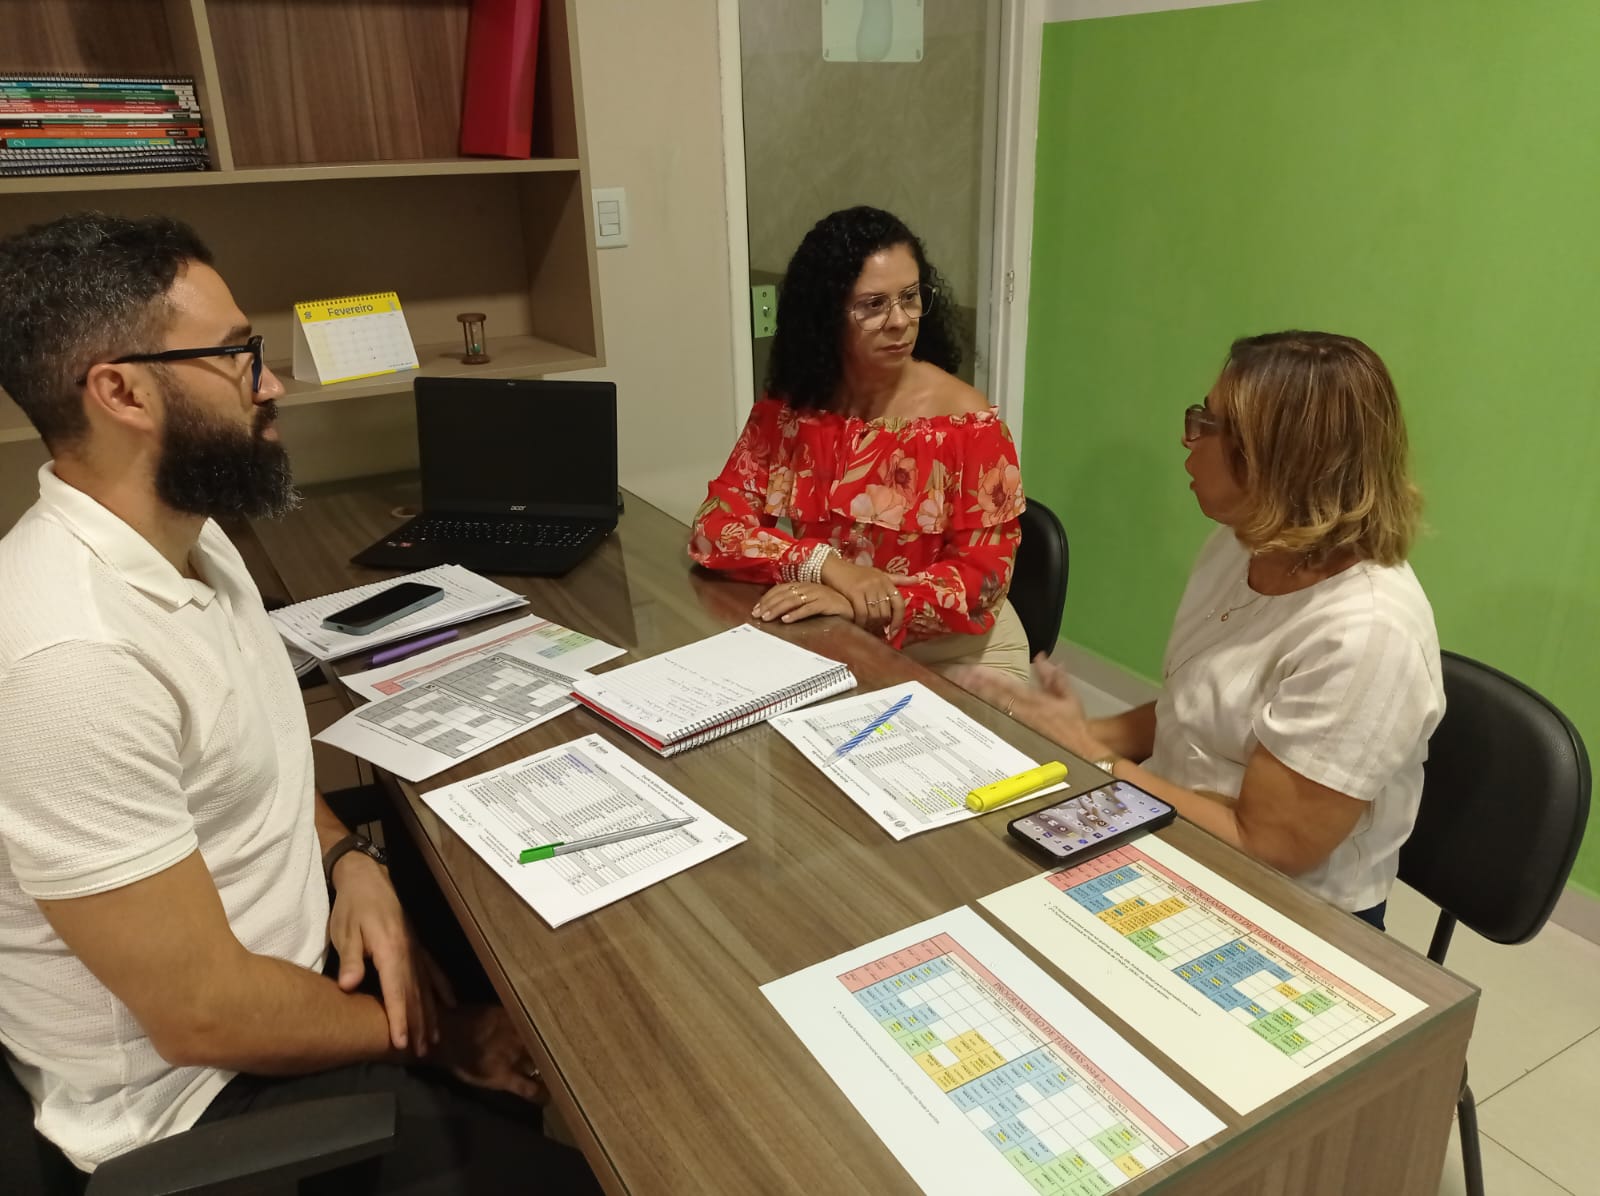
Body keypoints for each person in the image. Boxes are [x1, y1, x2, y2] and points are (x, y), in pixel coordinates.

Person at [0, 212, 599, 1193]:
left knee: (559, 952)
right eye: (239, 355)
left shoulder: (190, 534)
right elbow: (205, 1013)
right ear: (120, 389)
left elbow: (252, 758)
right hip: (201, 1097)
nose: (269, 382)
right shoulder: (71, 657)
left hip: (292, 953)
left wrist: (346, 858)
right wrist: (435, 1037)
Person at [957, 332, 1443, 928]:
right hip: (1172, 826)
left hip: (1289, 911)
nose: (1188, 439)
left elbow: (1267, 845)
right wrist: (1080, 732)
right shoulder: (1243, 545)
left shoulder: (1368, 636)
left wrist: (1099, 762)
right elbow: (1201, 708)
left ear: (1277, 458)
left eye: (1207, 423)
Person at [689, 206, 1029, 680]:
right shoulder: (792, 410)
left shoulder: (966, 422)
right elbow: (714, 528)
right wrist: (825, 566)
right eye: (873, 305)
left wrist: (860, 602)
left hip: (955, 654)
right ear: (826, 313)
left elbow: (984, 580)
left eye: (910, 297)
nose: (900, 321)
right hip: (833, 634)